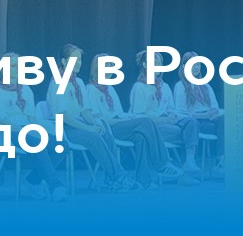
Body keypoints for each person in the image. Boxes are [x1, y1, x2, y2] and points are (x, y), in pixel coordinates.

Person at [46, 44, 139, 192]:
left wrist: (95, 123)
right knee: (93, 137)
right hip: (64, 128)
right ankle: (119, 177)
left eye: (80, 60)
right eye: (74, 59)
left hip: (79, 124)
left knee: (104, 131)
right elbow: (62, 116)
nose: (78, 63)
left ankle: (111, 180)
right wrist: (88, 128)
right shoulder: (57, 82)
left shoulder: (78, 83)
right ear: (64, 61)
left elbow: (84, 111)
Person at [83, 53, 180, 186]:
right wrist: (124, 121)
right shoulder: (90, 89)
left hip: (119, 123)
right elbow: (99, 120)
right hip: (108, 128)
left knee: (141, 135)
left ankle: (144, 179)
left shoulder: (110, 89)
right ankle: (162, 163)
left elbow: (119, 113)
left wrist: (129, 118)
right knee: (145, 122)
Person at [0, 53, 68, 202]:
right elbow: (0, 119)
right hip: (7, 132)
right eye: (13, 65)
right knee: (38, 143)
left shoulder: (25, 90)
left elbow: (31, 117)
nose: (17, 68)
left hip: (27, 130)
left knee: (61, 145)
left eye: (19, 66)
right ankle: (55, 185)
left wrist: (37, 129)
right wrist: (24, 130)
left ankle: (32, 181)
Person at [129, 50, 204, 181]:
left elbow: (171, 109)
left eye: (160, 63)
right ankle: (182, 175)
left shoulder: (165, 87)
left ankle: (187, 164)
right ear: (145, 65)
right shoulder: (139, 87)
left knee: (190, 123)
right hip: (151, 126)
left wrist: (173, 116)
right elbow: (139, 118)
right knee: (186, 134)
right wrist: (163, 120)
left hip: (167, 124)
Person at [173, 51, 226, 177]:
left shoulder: (206, 86)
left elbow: (214, 106)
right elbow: (181, 111)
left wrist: (214, 112)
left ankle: (222, 160)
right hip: (193, 121)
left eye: (198, 64)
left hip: (208, 121)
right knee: (192, 123)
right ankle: (189, 161)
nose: (196, 67)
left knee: (225, 119)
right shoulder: (180, 86)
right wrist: (204, 115)